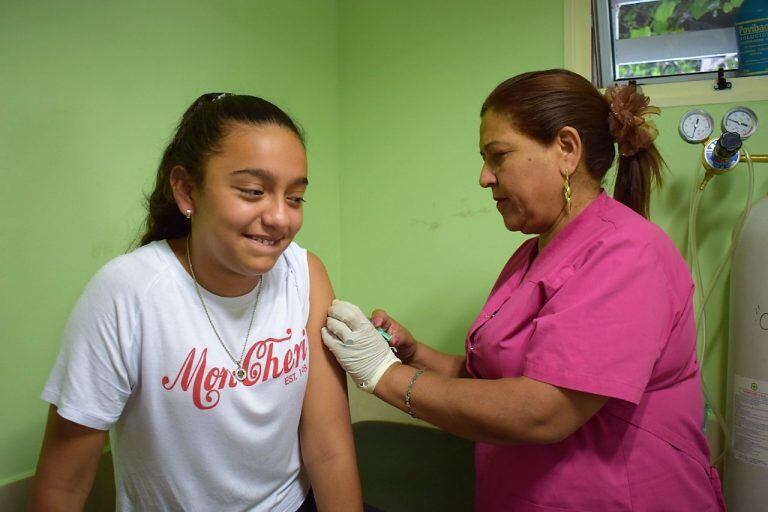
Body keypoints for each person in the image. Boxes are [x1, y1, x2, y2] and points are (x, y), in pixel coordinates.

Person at [321, 69, 726, 511]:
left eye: (498, 157)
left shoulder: (628, 254)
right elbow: (497, 380)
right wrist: (413, 355)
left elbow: (543, 410)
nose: (484, 178)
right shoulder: (533, 253)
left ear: (567, 150)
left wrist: (382, 374)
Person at [29, 93, 363, 511]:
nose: (280, 217)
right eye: (253, 191)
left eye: (295, 197)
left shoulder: (305, 275)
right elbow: (63, 487)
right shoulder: (126, 293)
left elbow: (328, 449)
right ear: (187, 190)